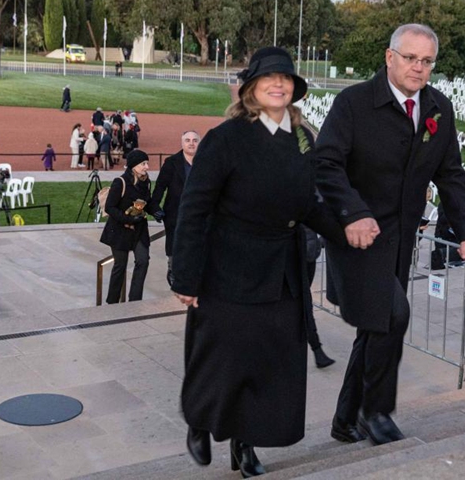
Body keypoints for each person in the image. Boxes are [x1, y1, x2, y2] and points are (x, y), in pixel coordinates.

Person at [170, 47, 345, 476]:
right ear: (250, 89)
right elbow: (193, 210)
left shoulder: (303, 138)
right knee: (224, 357)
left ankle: (245, 446)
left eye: (286, 78)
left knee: (268, 364)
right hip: (229, 268)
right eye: (269, 79)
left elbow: (310, 203)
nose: (279, 84)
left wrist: (348, 229)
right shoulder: (226, 138)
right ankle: (201, 419)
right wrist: (186, 277)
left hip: (283, 271)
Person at [314, 23, 465, 446]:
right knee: (394, 314)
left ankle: (345, 418)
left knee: (375, 324)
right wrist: (353, 214)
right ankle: (377, 413)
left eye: (426, 61)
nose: (418, 68)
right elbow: (326, 164)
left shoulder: (439, 108)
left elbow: (450, 172)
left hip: (401, 238)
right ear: (389, 57)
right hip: (356, 235)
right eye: (410, 58)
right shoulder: (353, 103)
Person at [99, 149, 163, 304]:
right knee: (120, 266)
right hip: (120, 230)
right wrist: (128, 218)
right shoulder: (120, 182)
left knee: (143, 261)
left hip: (139, 230)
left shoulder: (145, 182)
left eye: (147, 163)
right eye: (143, 164)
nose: (147, 167)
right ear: (133, 166)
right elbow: (110, 207)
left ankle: (135, 300)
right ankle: (112, 302)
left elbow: (146, 202)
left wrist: (156, 211)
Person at [151, 130, 200, 286]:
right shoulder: (172, 163)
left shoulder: (206, 162)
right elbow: (160, 187)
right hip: (175, 212)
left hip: (198, 213)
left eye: (195, 140)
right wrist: (154, 207)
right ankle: (173, 269)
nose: (191, 143)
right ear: (182, 143)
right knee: (175, 243)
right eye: (187, 140)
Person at [302, 225, 336, 368]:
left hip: (305, 251)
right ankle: (316, 348)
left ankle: (317, 349)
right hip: (305, 250)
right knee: (303, 301)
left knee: (302, 301)